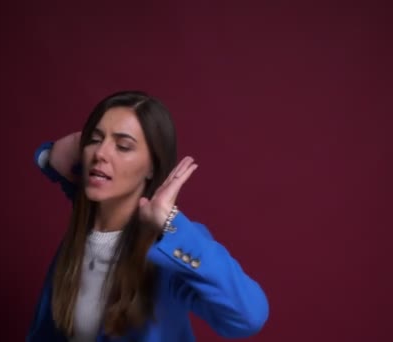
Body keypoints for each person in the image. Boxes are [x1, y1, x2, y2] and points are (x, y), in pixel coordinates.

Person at [27, 90, 269, 342]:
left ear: (152, 165)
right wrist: (55, 154)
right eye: (95, 139)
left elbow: (248, 317)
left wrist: (168, 222)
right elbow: (54, 158)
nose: (101, 153)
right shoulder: (82, 231)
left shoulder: (171, 248)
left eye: (123, 146)